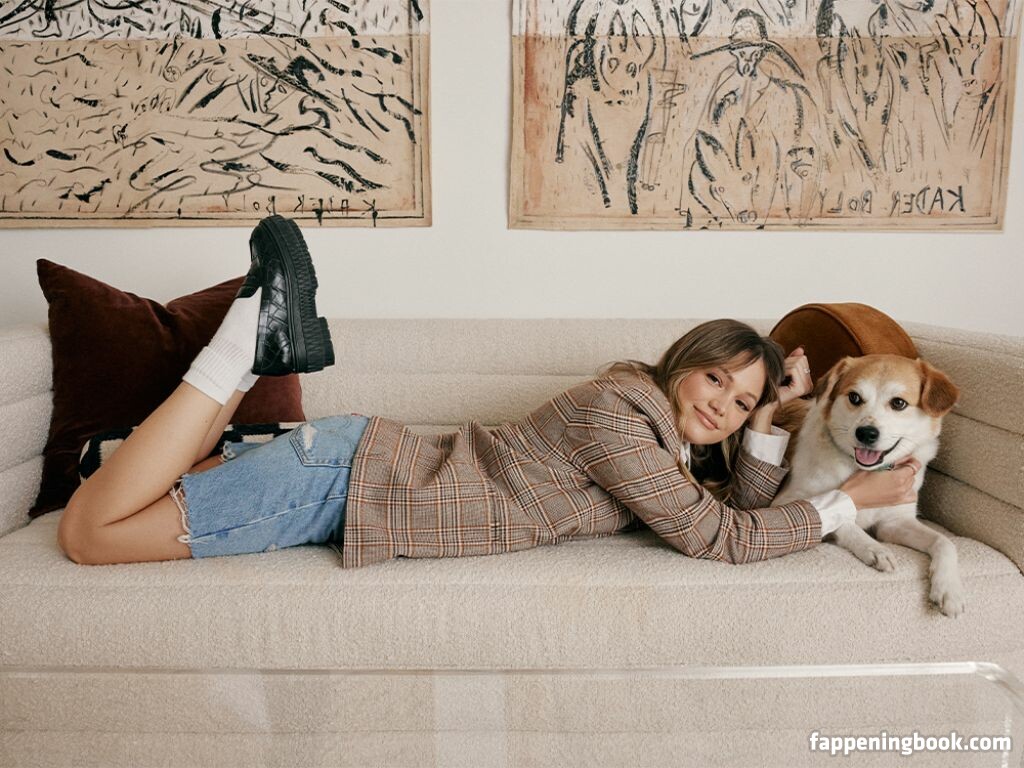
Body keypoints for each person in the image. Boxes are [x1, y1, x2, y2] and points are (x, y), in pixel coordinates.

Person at [56, 215, 920, 567]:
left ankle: (246, 362)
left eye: (738, 402)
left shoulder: (661, 440)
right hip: (338, 484)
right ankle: (246, 337)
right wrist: (846, 504)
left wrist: (770, 415)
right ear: (680, 364)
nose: (721, 405)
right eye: (716, 379)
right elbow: (717, 537)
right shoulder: (620, 416)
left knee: (126, 499)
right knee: (89, 535)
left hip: (345, 469)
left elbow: (742, 505)